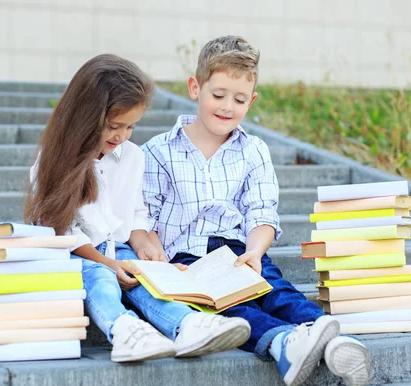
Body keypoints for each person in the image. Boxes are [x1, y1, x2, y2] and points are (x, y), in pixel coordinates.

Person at [142, 36, 374, 386]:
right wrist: (154, 250)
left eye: (238, 99)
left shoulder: (253, 151)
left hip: (239, 250)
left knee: (276, 291)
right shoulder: (159, 151)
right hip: (186, 259)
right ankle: (284, 342)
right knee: (229, 310)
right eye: (218, 95)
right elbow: (145, 215)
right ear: (195, 88)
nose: (226, 107)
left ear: (251, 101)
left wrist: (255, 252)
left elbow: (261, 212)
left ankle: (333, 340)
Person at [25, 54, 250, 363]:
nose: (122, 136)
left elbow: (135, 216)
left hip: (120, 249)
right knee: (101, 279)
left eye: (131, 127)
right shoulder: (53, 161)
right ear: (85, 117)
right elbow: (60, 232)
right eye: (114, 126)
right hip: (77, 255)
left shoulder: (132, 156)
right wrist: (107, 261)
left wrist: (148, 249)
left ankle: (188, 324)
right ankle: (124, 330)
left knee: (151, 281)